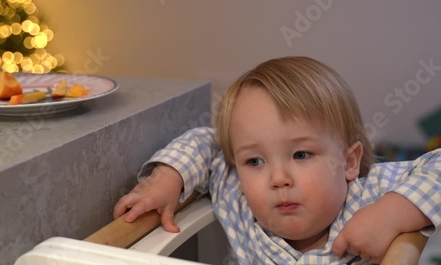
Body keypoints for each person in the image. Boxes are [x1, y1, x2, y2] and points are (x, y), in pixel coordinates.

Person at [114, 57, 440, 264]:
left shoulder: (370, 197)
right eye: (255, 161)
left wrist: (393, 212)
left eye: (301, 154)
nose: (278, 178)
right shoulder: (237, 195)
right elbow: (209, 142)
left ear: (349, 161)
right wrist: (168, 178)